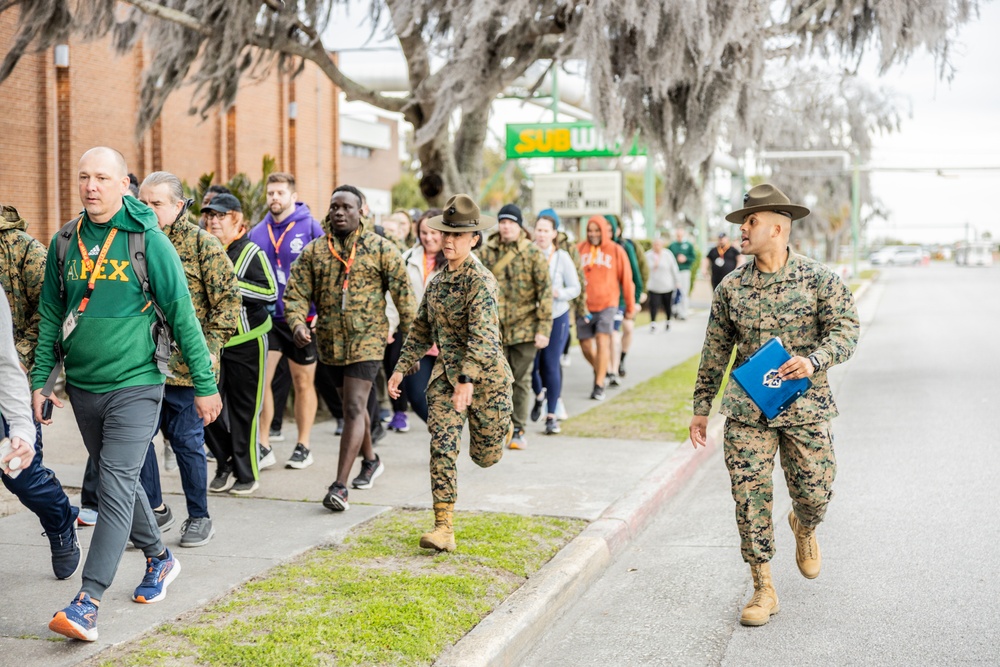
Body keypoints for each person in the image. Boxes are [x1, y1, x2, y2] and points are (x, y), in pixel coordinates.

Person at [32, 147, 222, 642]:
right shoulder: (65, 242)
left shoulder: (147, 241)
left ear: (123, 185)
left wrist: (205, 385)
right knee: (125, 479)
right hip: (84, 386)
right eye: (83, 177)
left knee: (113, 483)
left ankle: (87, 601)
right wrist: (42, 381)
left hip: (138, 382)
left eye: (101, 177)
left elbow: (183, 315)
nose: (90, 186)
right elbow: (52, 314)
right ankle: (160, 558)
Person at [689, 184, 859, 627]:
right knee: (749, 495)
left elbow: (846, 330)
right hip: (749, 411)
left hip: (805, 406)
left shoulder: (818, 279)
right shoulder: (731, 288)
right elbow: (714, 350)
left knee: (817, 490)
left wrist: (814, 360)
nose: (742, 229)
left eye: (751, 222)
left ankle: (804, 525)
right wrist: (701, 407)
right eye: (743, 222)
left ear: (779, 229)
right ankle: (763, 587)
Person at [388, 194, 513, 552]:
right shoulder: (438, 282)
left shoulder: (481, 282)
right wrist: (399, 369)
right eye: (445, 233)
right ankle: (444, 527)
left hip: (486, 381)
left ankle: (502, 426)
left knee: (485, 457)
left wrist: (468, 379)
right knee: (442, 445)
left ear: (474, 238)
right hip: (446, 377)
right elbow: (421, 329)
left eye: (457, 235)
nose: (448, 241)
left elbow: (485, 338)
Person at [284, 184, 416, 512]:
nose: (339, 212)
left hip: (369, 342)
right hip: (329, 344)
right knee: (349, 408)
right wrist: (298, 323)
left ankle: (340, 486)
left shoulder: (381, 249)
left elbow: (406, 300)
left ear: (362, 212)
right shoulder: (315, 251)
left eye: (347, 207)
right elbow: (295, 292)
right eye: (334, 207)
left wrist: (411, 348)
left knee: (355, 407)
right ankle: (370, 460)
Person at [136, 172, 240, 547]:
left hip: (184, 372)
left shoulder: (203, 246)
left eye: (155, 203)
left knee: (186, 443)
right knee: (139, 441)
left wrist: (208, 354)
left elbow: (228, 306)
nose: (145, 209)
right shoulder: (132, 243)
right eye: (142, 202)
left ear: (179, 207)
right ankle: (155, 509)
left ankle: (199, 516)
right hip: (141, 367)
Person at [0, 204, 80, 579]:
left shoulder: (22, 249)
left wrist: (42, 381)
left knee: (21, 475)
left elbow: (54, 313)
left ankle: (60, 519)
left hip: (14, 377)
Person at [248, 172, 324, 469]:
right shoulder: (257, 231)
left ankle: (303, 445)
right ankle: (264, 444)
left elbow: (324, 270)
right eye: (270, 194)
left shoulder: (310, 226)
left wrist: (317, 312)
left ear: (293, 196)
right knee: (262, 381)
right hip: (269, 320)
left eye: (280, 193)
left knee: (302, 382)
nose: (274, 199)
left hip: (302, 320)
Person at [203, 193, 277, 496]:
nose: (214, 221)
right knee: (205, 409)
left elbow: (270, 292)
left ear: (238, 220)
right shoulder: (203, 249)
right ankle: (225, 461)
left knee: (245, 410)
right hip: (212, 345)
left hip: (248, 342)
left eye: (221, 216)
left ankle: (247, 474)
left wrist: (229, 283)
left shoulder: (250, 251)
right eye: (210, 216)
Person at [477, 203, 551, 450]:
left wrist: (543, 329)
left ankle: (518, 428)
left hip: (525, 329)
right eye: (503, 222)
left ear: (519, 226)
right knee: (495, 381)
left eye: (511, 222)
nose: (506, 226)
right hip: (494, 330)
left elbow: (545, 293)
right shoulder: (487, 252)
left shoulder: (532, 253)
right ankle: (499, 427)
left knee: (520, 380)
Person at [529, 213, 580, 435]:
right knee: (531, 367)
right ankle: (539, 395)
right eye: (538, 230)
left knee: (550, 364)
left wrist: (558, 293)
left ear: (554, 234)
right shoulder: (527, 253)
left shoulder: (561, 257)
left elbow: (575, 288)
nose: (541, 234)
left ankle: (551, 415)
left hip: (557, 315)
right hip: (530, 317)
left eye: (545, 230)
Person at [577, 215, 635, 401]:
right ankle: (601, 370)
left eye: (597, 230)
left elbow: (627, 280)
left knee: (603, 341)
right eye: (590, 230)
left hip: (608, 304)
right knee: (585, 345)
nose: (593, 234)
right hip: (584, 305)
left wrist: (630, 307)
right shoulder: (580, 249)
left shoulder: (616, 250)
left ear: (604, 230)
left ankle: (599, 384)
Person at [398, 208, 445, 424]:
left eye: (434, 232)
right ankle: (442, 430)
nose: (429, 237)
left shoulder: (461, 259)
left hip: (448, 342)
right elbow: (394, 296)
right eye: (424, 233)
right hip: (419, 340)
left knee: (446, 396)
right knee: (416, 395)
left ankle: (445, 439)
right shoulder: (408, 258)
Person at [606, 215, 646, 382]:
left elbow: (635, 273)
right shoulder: (598, 248)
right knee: (611, 334)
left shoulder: (625, 247)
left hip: (625, 296)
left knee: (628, 328)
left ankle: (621, 359)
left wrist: (636, 299)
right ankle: (610, 370)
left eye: (611, 228)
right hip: (609, 300)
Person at [645, 236, 681, 332]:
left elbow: (674, 268)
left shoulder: (667, 254)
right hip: (653, 285)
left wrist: (677, 281)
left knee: (667, 305)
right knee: (653, 304)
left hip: (667, 285)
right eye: (655, 244)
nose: (657, 246)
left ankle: (668, 321)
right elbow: (644, 270)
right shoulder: (648, 255)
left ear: (662, 245)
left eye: (658, 244)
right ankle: (653, 323)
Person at [668, 227, 695, 320]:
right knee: (674, 292)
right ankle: (675, 311)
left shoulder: (688, 245)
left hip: (684, 271)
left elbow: (693, 258)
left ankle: (684, 313)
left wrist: (685, 259)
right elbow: (669, 258)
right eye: (678, 235)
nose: (679, 236)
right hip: (674, 272)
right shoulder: (672, 245)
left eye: (681, 235)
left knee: (684, 292)